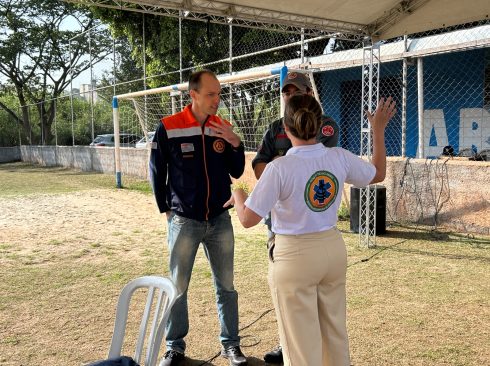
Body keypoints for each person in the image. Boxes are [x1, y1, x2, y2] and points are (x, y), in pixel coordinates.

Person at [226, 94, 396, 366]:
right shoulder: (337, 157)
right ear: (319, 124)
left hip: (295, 256)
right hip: (332, 250)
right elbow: (377, 173)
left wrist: (238, 194)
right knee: (334, 335)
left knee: (301, 347)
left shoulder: (279, 168)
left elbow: (247, 219)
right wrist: (377, 129)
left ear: (286, 127)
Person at [149, 70, 248, 366]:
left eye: (218, 94)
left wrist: (234, 141)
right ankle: (174, 346)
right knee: (177, 287)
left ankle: (231, 345)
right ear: (193, 95)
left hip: (219, 220)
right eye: (211, 94)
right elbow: (157, 170)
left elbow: (237, 170)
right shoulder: (169, 127)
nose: (217, 100)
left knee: (227, 286)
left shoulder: (223, 126)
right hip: (184, 221)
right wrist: (165, 208)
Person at [252, 72, 339, 364]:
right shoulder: (274, 128)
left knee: (321, 314)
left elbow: (317, 162)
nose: (289, 96)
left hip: (312, 227)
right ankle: (285, 342)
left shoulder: (324, 126)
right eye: (285, 92)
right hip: (283, 228)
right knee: (294, 306)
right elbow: (260, 164)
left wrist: (283, 167)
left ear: (308, 95)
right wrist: (278, 172)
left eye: (294, 91)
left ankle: (300, 347)